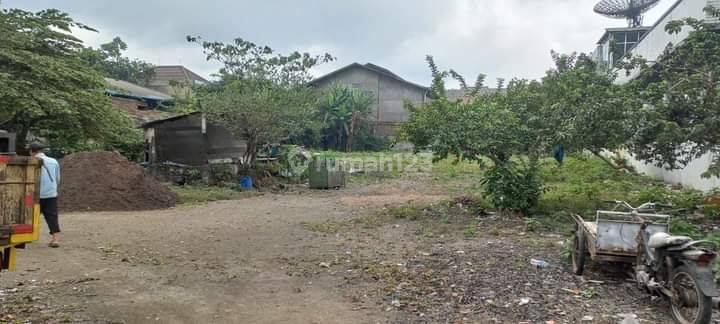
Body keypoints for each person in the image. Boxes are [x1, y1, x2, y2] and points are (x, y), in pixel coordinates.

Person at [29, 142, 61, 248]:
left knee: (30, 216)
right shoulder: (54, 161)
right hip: (51, 194)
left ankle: (28, 238)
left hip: (33, 194)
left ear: (31, 151)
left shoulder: (30, 162)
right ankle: (55, 239)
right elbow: (57, 179)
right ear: (42, 151)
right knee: (52, 216)